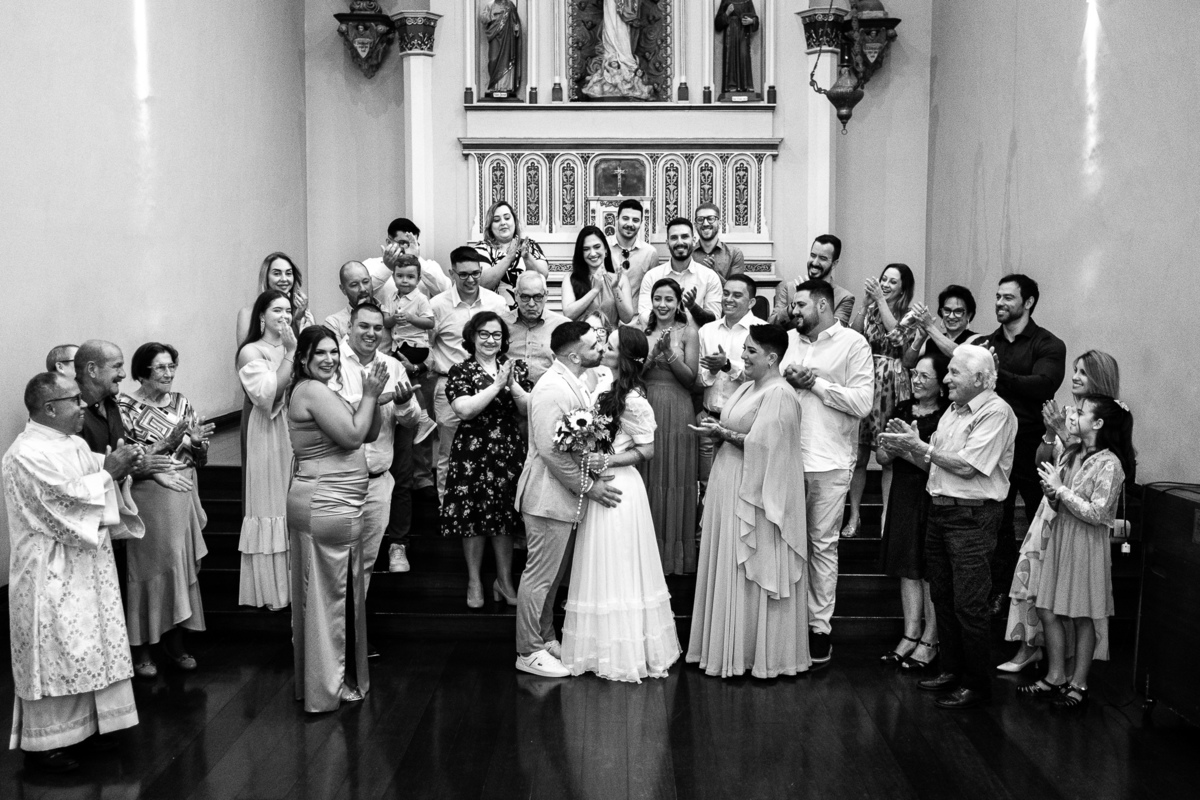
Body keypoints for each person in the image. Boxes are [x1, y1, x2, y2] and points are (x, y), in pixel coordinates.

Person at [5, 372, 144, 773]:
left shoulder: (74, 443)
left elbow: (98, 477)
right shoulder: (25, 453)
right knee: (56, 649)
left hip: (88, 565)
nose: (83, 406)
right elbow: (60, 501)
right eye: (74, 400)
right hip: (50, 569)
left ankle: (88, 729)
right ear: (50, 408)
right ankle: (47, 743)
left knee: (90, 645)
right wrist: (108, 473)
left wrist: (125, 466)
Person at [879, 344, 1017, 710]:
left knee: (969, 603)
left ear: (980, 379)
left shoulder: (996, 412)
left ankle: (976, 684)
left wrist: (920, 447)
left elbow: (968, 466)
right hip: (939, 511)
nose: (947, 379)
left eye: (955, 372)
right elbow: (935, 466)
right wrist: (907, 447)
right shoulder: (953, 412)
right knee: (943, 596)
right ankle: (951, 671)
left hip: (972, 517)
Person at [687, 323, 811, 678]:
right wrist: (718, 430)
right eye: (743, 349)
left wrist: (722, 432)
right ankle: (724, 647)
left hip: (756, 492)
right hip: (729, 481)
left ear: (772, 358)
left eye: (751, 351)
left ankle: (753, 653)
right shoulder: (745, 386)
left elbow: (768, 445)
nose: (743, 356)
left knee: (748, 570)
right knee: (728, 566)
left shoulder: (781, 394)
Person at [561, 327, 681, 682]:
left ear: (625, 357)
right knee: (599, 562)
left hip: (621, 488)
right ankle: (597, 649)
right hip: (598, 486)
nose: (602, 349)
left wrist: (607, 460)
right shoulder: (602, 385)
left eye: (609, 346)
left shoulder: (634, 399)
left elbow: (647, 450)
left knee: (620, 563)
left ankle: (626, 653)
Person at [1000, 350, 1121, 673]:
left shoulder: (1110, 416)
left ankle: (1068, 668)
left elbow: (1092, 462)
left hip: (1079, 515)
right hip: (1052, 507)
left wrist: (1064, 432)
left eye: (1083, 372)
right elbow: (1042, 461)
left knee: (1072, 597)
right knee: (1035, 584)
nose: (1075, 377)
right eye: (1075, 370)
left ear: (1100, 378)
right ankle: (1033, 648)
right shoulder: (1066, 413)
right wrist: (1052, 432)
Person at [287, 326, 387, 713]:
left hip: (340, 502)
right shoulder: (311, 390)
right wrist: (371, 394)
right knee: (329, 600)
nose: (329, 359)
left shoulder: (327, 391)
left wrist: (375, 397)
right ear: (303, 359)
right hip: (324, 501)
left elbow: (369, 432)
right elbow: (351, 437)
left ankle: (333, 678)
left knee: (334, 597)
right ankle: (327, 686)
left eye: (333, 352)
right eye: (320, 353)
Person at [514, 321, 621, 678]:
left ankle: (545, 637)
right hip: (547, 496)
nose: (600, 349)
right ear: (574, 355)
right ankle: (527, 650)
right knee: (539, 577)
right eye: (593, 346)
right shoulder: (552, 388)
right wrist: (589, 486)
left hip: (563, 498)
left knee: (553, 576)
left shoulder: (572, 381)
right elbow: (551, 452)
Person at [1018, 396, 1134, 711]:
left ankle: (1079, 683)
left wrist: (1061, 490)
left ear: (1098, 423)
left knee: (1083, 616)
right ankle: (1055, 676)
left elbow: (1097, 513)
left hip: (1086, 543)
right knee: (1047, 608)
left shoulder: (1110, 463)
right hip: (1061, 536)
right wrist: (1052, 493)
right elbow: (1059, 501)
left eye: (1081, 412)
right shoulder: (1072, 452)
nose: (1073, 415)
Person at [779, 280, 873, 667]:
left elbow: (863, 403)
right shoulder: (786, 341)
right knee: (782, 542)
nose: (793, 311)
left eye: (800, 305)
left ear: (822, 305)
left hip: (829, 461)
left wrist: (814, 383)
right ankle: (783, 622)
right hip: (784, 459)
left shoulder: (853, 344)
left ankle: (818, 628)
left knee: (822, 546)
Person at [118, 343, 214, 678]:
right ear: (142, 372)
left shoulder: (181, 402)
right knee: (147, 570)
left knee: (179, 567)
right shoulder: (125, 406)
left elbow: (200, 458)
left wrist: (198, 444)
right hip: (147, 496)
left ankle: (175, 643)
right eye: (160, 367)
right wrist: (169, 443)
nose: (168, 373)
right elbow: (128, 459)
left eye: (172, 366)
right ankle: (141, 648)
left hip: (182, 492)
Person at [333, 305, 420, 629]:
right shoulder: (332, 362)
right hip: (338, 481)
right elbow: (332, 413)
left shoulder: (392, 366)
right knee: (334, 564)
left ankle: (354, 636)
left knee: (366, 563)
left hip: (378, 481)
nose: (371, 333)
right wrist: (372, 398)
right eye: (363, 326)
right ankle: (327, 638)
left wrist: (402, 404)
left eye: (377, 328)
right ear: (350, 326)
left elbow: (411, 420)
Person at [986, 274, 1067, 616]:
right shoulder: (988, 343)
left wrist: (996, 373)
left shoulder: (1048, 344)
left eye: (1008, 297)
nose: (1000, 303)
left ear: (1028, 302)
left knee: (1041, 518)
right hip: (994, 446)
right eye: (998, 297)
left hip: (1035, 446)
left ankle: (1043, 595)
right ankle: (1000, 594)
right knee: (997, 524)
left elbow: (1042, 385)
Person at [440, 312, 532, 608]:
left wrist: (511, 383)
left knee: (504, 515)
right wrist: (496, 385)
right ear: (472, 336)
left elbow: (527, 409)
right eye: (484, 334)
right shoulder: (460, 370)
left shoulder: (516, 367)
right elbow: (464, 410)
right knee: (472, 515)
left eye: (496, 334)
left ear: (504, 339)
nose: (491, 340)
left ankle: (504, 581)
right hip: (473, 449)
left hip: (507, 447)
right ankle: (474, 581)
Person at [876, 355, 949, 671]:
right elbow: (882, 457)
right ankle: (910, 634)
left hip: (931, 494)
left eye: (924, 376)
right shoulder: (902, 409)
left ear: (941, 382)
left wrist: (908, 449)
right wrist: (891, 449)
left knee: (929, 569)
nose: (916, 380)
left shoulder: (947, 415)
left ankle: (931, 640)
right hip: (903, 494)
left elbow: (938, 465)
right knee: (907, 567)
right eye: (914, 374)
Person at [429, 247, 510, 501]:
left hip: (491, 385)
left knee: (490, 450)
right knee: (448, 451)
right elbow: (428, 345)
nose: (471, 280)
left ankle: (482, 506)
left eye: (475, 273)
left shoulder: (496, 303)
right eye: (463, 275)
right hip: (450, 387)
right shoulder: (437, 305)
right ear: (451, 273)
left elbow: (504, 343)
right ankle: (446, 507)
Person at [844, 262, 916, 538]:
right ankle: (854, 515)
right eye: (883, 279)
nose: (885, 284)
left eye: (892, 281)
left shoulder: (910, 314)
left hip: (891, 385)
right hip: (866, 379)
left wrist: (881, 302)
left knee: (886, 457)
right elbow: (853, 336)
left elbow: (897, 337)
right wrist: (865, 305)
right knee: (859, 456)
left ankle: (887, 516)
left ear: (903, 288)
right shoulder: (872, 309)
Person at [236, 290, 296, 610]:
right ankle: (274, 591)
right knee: (272, 501)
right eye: (277, 310)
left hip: (295, 426)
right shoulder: (251, 351)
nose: (285, 316)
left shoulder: (291, 346)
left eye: (288, 310)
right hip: (268, 430)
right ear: (261, 315)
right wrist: (291, 353)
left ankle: (298, 584)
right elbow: (267, 394)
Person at [640, 278, 700, 575]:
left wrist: (669, 353)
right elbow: (633, 373)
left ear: (678, 304)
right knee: (648, 477)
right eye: (657, 299)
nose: (662, 305)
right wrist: (653, 354)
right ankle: (645, 554)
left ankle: (673, 557)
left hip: (678, 410)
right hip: (646, 407)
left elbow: (691, 379)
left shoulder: (688, 332)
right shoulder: (642, 331)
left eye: (668, 299)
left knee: (675, 477)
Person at [696, 274, 764, 488]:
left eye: (736, 295)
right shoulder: (707, 331)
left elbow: (763, 378)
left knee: (741, 487)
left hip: (744, 425)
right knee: (707, 486)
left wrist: (727, 366)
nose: (728, 299)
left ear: (751, 302)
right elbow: (698, 379)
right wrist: (713, 370)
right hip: (709, 419)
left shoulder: (762, 331)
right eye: (726, 294)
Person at [638, 217, 722, 327]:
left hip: (699, 338)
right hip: (660, 337)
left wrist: (693, 307)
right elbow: (644, 316)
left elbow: (714, 320)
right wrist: (672, 313)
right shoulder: (652, 276)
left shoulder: (710, 277)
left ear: (694, 240)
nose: (679, 242)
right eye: (674, 238)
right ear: (667, 243)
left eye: (684, 237)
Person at [474, 200, 550, 308]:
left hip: (527, 311)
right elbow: (483, 283)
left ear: (514, 221)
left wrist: (527, 257)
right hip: (494, 313)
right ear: (490, 226)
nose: (503, 223)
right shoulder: (482, 248)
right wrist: (508, 258)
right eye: (496, 220)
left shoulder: (529, 245)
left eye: (507, 218)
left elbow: (543, 276)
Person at [770, 234, 855, 327]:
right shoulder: (790, 288)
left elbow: (836, 331)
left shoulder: (844, 298)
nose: (814, 262)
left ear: (834, 264)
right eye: (813, 255)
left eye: (823, 258)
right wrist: (794, 305)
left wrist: (810, 301)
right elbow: (770, 325)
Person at [363, 217, 451, 305]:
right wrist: (387, 268)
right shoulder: (370, 265)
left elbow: (446, 293)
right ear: (389, 242)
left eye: (413, 243)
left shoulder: (429, 266)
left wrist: (416, 260)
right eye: (402, 243)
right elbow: (361, 294)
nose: (407, 248)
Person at [560, 224, 635, 326]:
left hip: (611, 336)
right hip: (582, 335)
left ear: (606, 249)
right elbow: (568, 314)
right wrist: (595, 290)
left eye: (597, 247)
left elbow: (627, 318)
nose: (592, 253)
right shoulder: (570, 278)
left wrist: (615, 288)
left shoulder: (620, 279)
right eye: (586, 249)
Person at [235, 252, 314, 346]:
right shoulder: (248, 313)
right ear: (266, 277)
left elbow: (310, 350)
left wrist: (298, 319)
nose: (284, 279)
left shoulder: (301, 312)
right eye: (277, 274)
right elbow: (244, 352)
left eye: (288, 273)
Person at [504, 271, 569, 385]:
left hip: (549, 391)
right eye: (525, 297)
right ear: (516, 295)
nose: (531, 304)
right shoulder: (501, 324)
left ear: (546, 295)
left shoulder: (563, 326)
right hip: (508, 390)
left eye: (538, 297)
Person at [901, 284, 985, 369]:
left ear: (969, 315)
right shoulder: (931, 342)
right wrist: (921, 338)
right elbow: (907, 364)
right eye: (947, 310)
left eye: (958, 311)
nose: (951, 316)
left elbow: (960, 356)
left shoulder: (976, 339)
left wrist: (929, 327)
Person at [324, 261, 389, 351]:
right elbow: (337, 356)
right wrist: (359, 315)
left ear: (371, 281)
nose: (362, 289)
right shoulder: (334, 322)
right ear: (343, 289)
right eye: (354, 285)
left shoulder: (389, 313)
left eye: (366, 282)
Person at [609, 198, 659, 310]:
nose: (630, 224)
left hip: (637, 317)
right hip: (607, 316)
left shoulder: (650, 253)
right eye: (625, 218)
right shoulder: (603, 248)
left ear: (641, 223)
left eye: (635, 220)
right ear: (617, 219)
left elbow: (654, 290)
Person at [692, 203, 745, 282]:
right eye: (700, 219)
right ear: (695, 225)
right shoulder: (688, 254)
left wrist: (714, 273)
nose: (705, 223)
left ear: (719, 223)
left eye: (710, 219)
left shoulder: (734, 254)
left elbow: (735, 288)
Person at [715, 1, 759, 94]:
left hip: (743, 35)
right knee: (731, 59)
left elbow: (755, 19)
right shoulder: (726, 1)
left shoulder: (747, 1)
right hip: (730, 37)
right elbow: (717, 24)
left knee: (744, 57)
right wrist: (727, 13)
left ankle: (746, 87)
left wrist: (751, 21)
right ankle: (731, 87)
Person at [480, 0, 522, 95]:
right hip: (494, 36)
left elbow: (515, 21)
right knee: (493, 59)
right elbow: (483, 18)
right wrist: (493, 17)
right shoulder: (490, 5)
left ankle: (505, 86)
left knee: (506, 58)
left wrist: (516, 28)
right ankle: (495, 86)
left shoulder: (510, 5)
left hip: (507, 38)